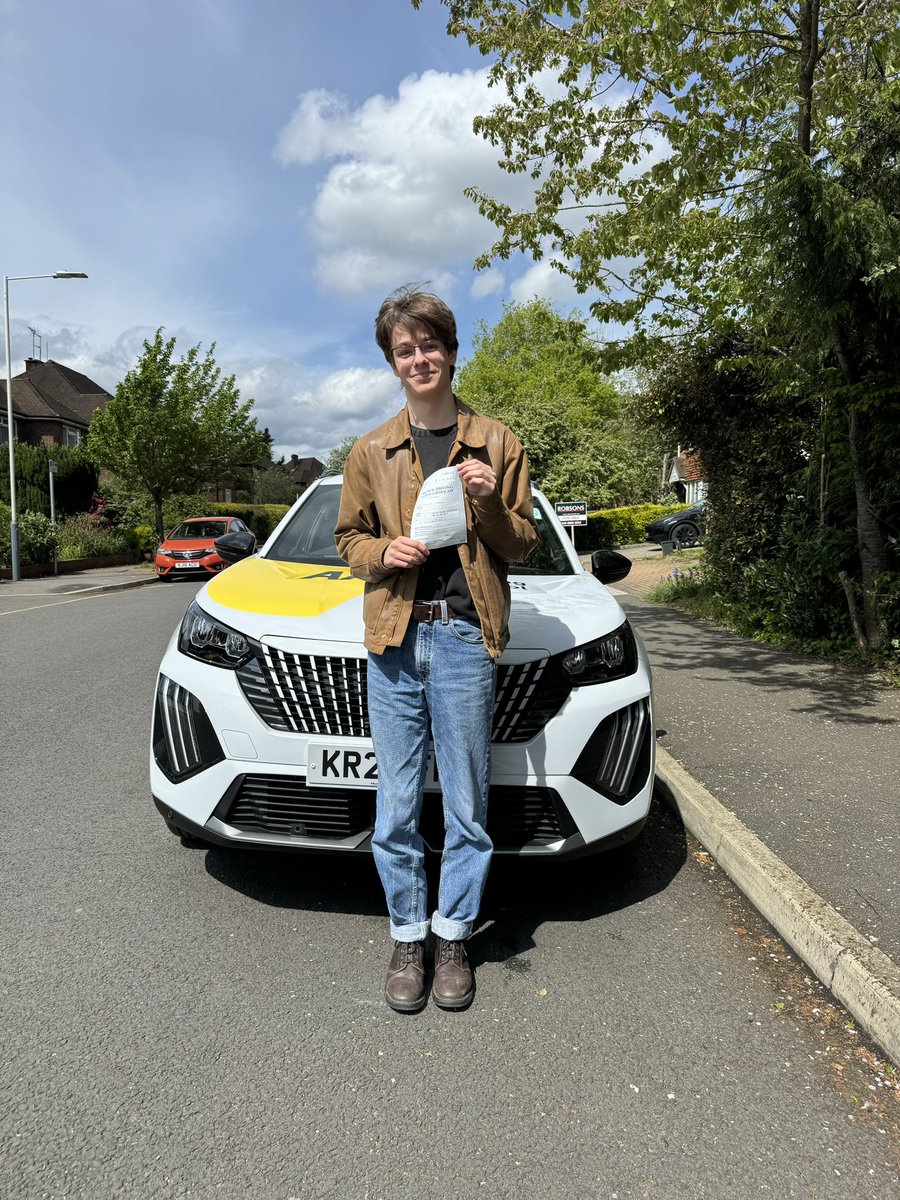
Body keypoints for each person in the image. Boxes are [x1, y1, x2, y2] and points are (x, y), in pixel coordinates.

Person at [335, 286, 538, 1013]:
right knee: (393, 807)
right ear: (394, 363)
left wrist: (486, 499)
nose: (419, 358)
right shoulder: (370, 449)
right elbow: (347, 541)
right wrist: (382, 550)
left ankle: (453, 936)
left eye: (429, 345)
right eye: (405, 349)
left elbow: (520, 543)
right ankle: (407, 937)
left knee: (466, 805)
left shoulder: (498, 442)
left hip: (461, 639)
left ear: (450, 352)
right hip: (393, 638)